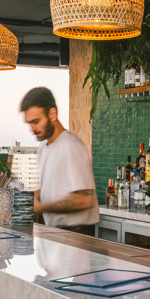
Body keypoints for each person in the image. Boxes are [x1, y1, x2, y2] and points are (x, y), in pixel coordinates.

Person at [20, 87, 99, 235]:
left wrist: (41, 207)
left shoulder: (71, 146)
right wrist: (28, 197)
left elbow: (84, 200)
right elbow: (54, 188)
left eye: (36, 121)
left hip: (77, 236)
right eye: (29, 123)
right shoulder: (43, 147)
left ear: (52, 114)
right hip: (56, 234)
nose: (32, 128)